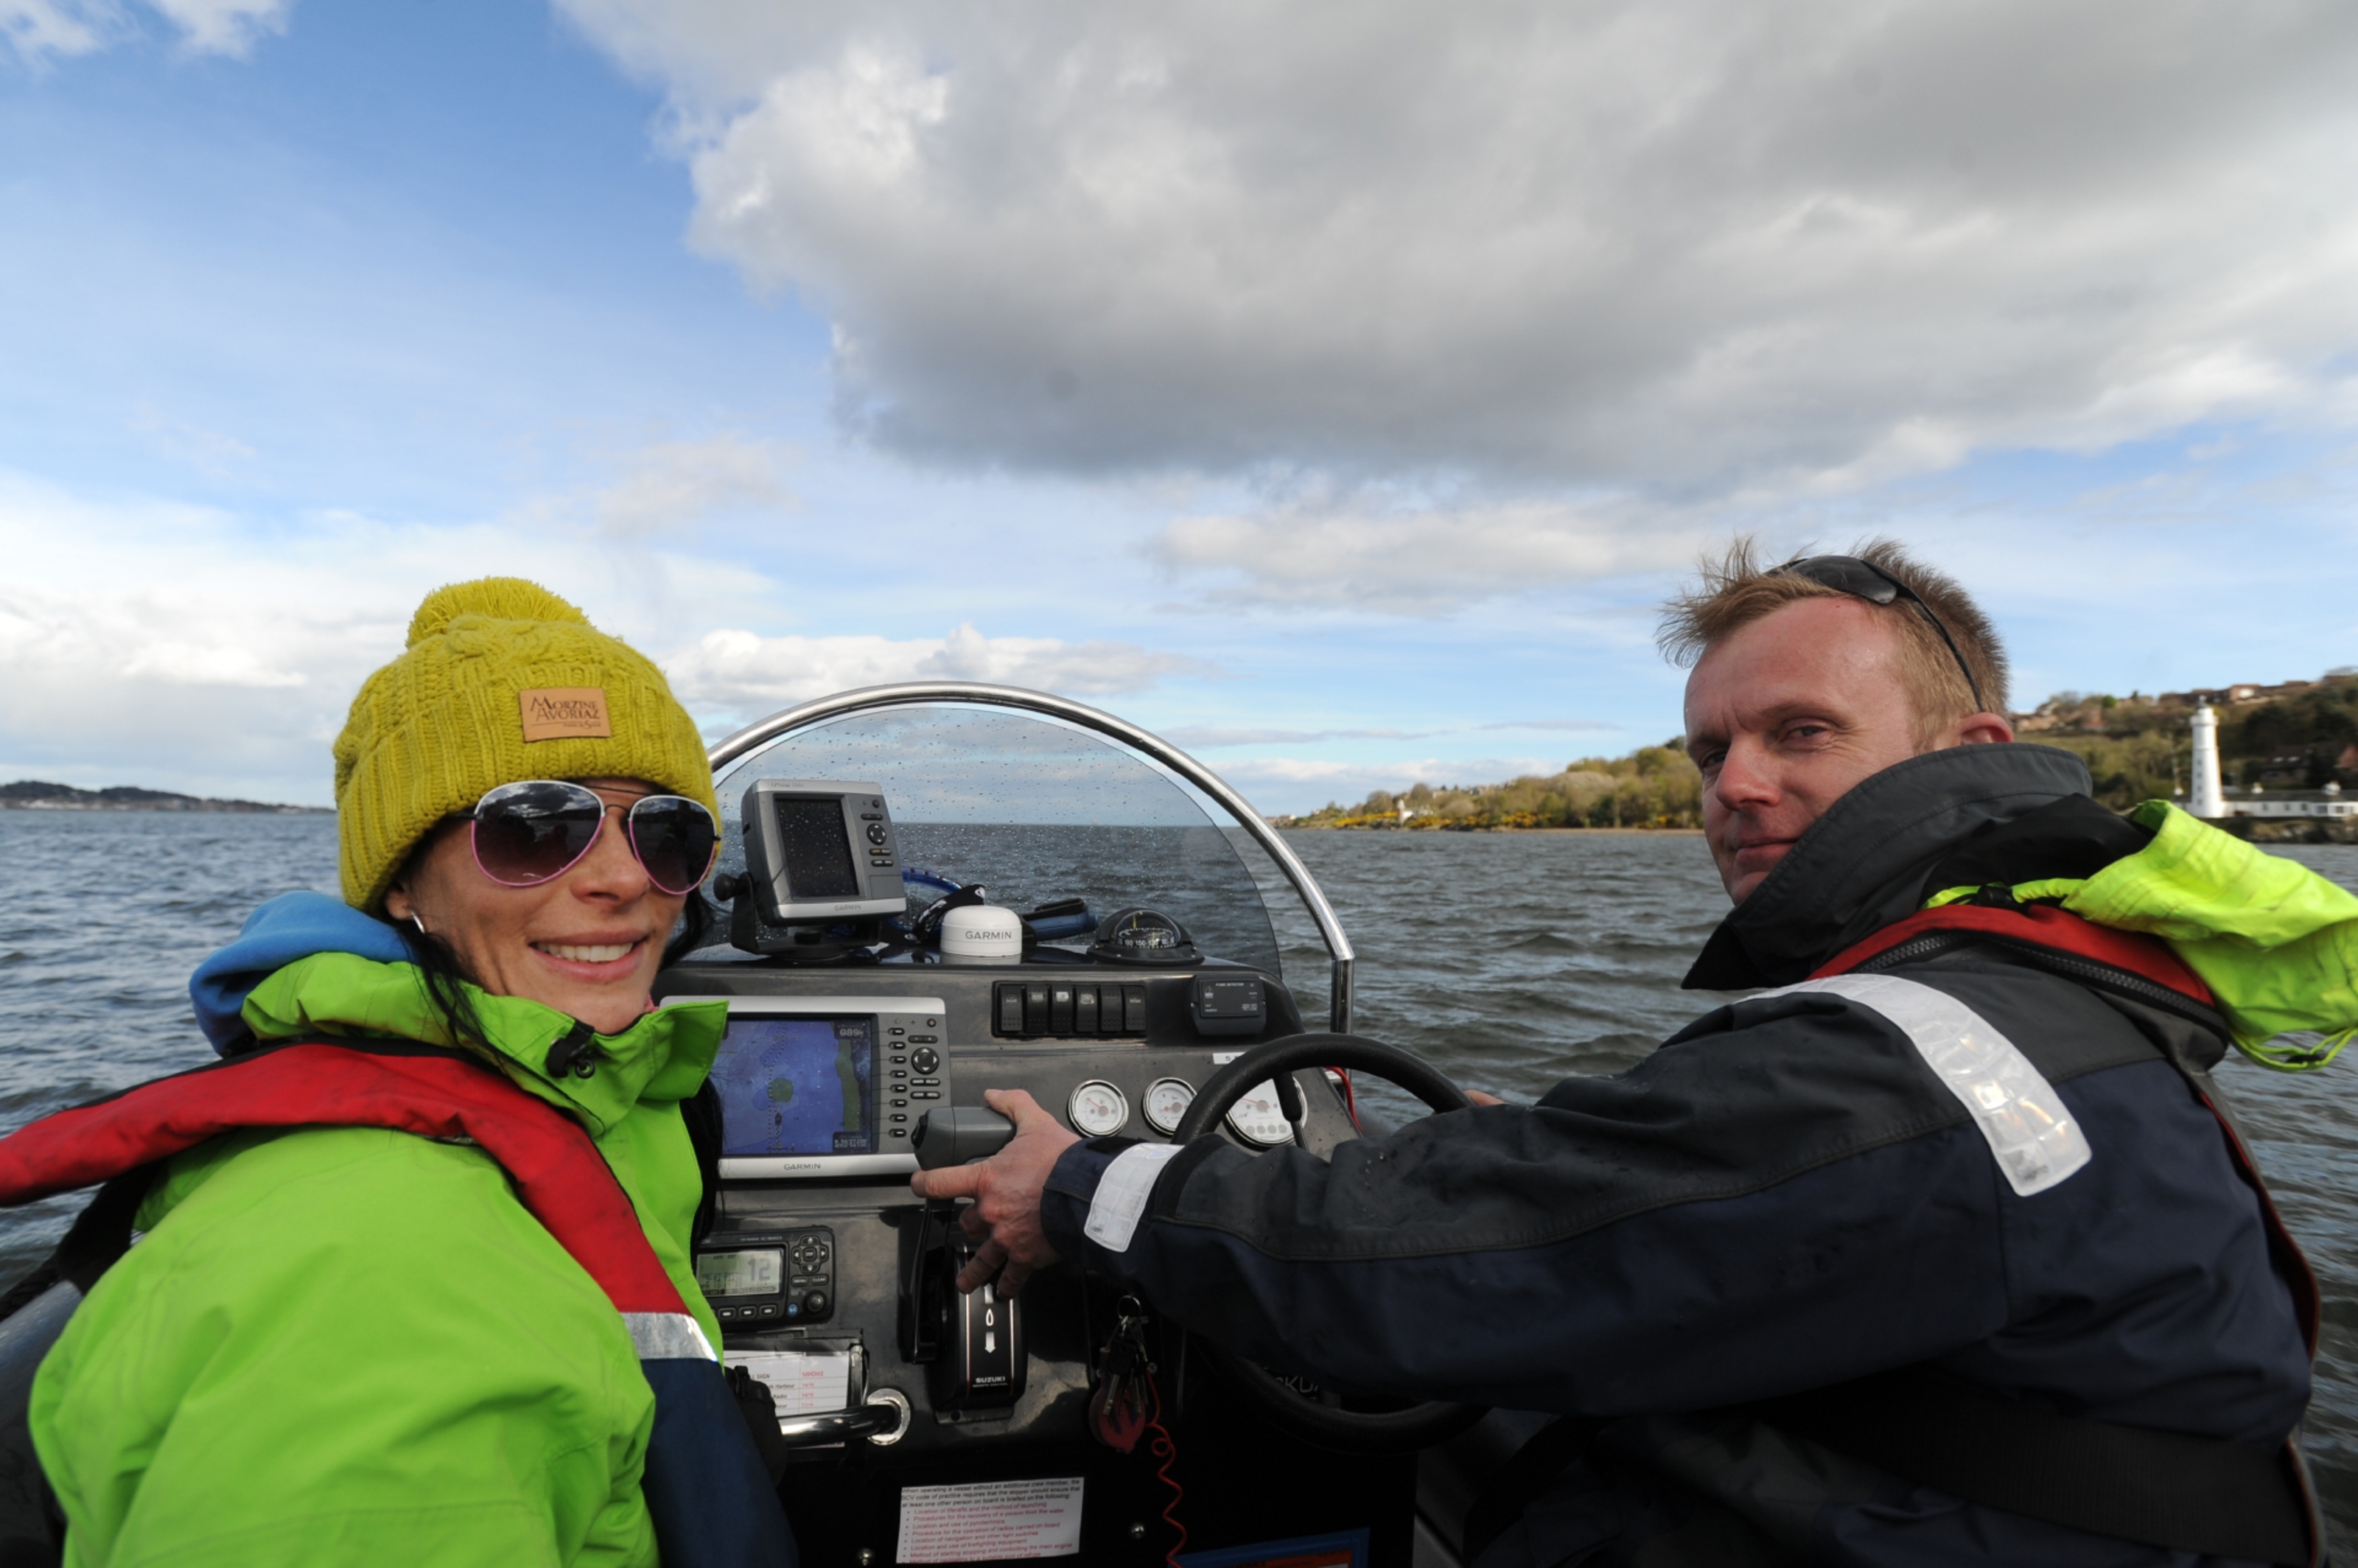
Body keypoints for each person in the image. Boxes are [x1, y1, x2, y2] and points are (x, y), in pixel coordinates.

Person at [914, 540, 2326, 1567]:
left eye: (1801, 733)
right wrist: (1537, 1154)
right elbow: (1721, 1189)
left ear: (1972, 745)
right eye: (1712, 751)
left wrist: (1091, 1192)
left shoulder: (1920, 1051)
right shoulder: (2008, 998)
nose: (1739, 789)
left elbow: (1455, 1260)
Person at [3, 578, 791, 1567]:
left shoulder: (591, 1105)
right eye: (538, 826)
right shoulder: (375, 1263)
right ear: (404, 882)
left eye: (664, 832)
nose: (625, 878)